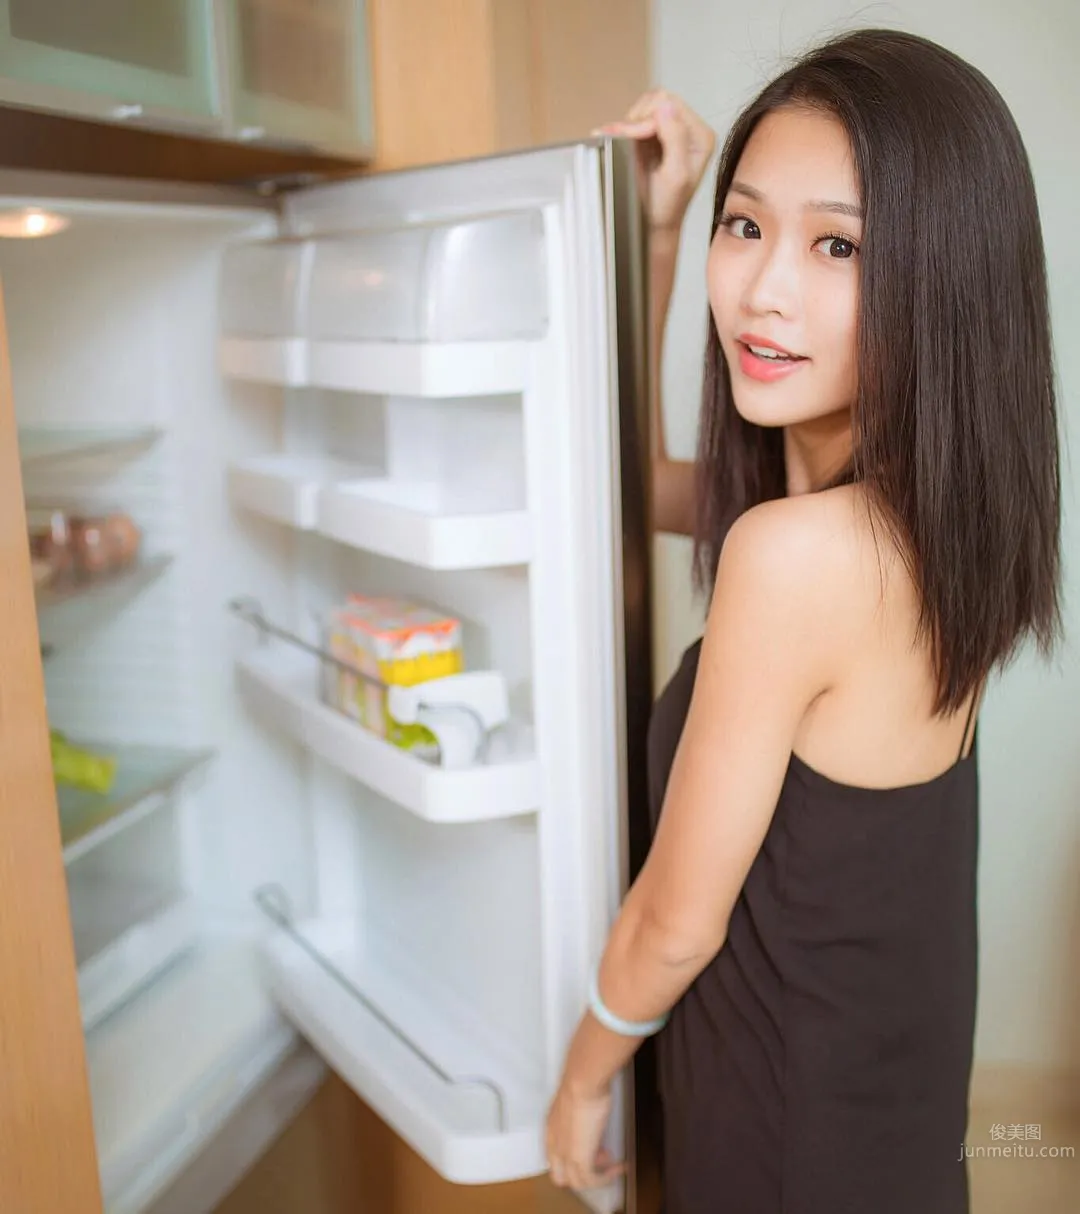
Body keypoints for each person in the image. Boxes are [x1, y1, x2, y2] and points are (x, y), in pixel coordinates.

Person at [545, 27, 1061, 1214]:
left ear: (946, 280)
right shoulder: (925, 518)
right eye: (746, 224)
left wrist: (581, 1076)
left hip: (790, 1141)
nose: (765, 289)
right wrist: (664, 227)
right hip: (885, 1121)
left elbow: (676, 921)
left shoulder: (802, 559)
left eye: (838, 244)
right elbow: (637, 472)